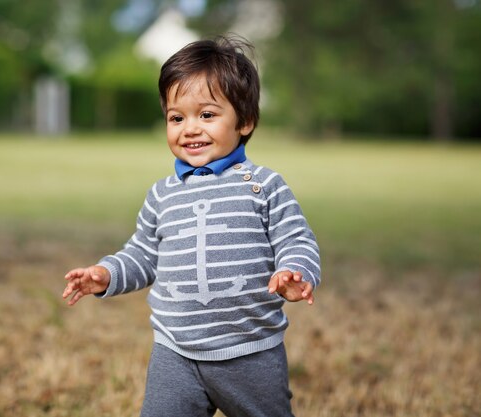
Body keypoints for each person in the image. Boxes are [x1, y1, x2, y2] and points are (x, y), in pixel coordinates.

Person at [62, 36, 321, 417]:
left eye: (207, 115)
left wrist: (293, 269)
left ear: (245, 121)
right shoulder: (162, 194)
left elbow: (296, 238)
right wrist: (107, 274)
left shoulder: (263, 186)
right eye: (176, 117)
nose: (190, 129)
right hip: (175, 351)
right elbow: (143, 253)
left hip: (249, 350)